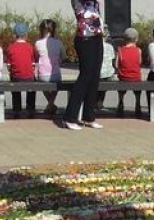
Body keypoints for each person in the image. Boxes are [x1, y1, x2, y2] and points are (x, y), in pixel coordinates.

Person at [63, 0, 105, 130]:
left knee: (94, 77)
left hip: (97, 36)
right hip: (84, 38)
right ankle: (69, 117)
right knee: (85, 76)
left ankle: (89, 116)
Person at [5, 22, 36, 116]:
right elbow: (33, 64)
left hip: (16, 77)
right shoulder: (30, 47)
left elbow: (9, 66)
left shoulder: (11, 48)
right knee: (32, 89)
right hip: (29, 77)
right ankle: (30, 108)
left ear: (15, 35)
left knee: (15, 89)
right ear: (26, 35)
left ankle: (17, 109)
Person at [35, 19, 64, 116]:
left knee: (43, 84)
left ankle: (50, 104)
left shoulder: (38, 43)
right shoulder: (59, 43)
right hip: (55, 74)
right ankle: (51, 104)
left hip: (43, 75)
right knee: (58, 83)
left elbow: (36, 57)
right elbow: (63, 57)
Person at [116, 27, 143, 115]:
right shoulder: (138, 51)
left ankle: (120, 100)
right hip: (136, 78)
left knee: (121, 86)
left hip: (123, 77)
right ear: (136, 39)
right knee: (138, 87)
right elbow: (139, 62)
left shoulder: (120, 50)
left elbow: (116, 65)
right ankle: (138, 102)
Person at [96, 35, 116, 112]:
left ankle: (97, 102)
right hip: (107, 74)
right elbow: (113, 61)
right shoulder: (110, 46)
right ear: (106, 37)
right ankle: (100, 102)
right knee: (107, 76)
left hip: (97, 73)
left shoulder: (94, 46)